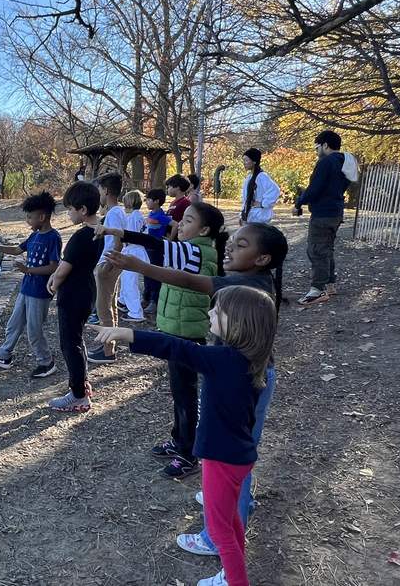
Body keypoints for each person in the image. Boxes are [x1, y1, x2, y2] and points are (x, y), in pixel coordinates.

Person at [106, 222, 288, 567]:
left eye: (241, 244)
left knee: (234, 453)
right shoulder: (257, 283)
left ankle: (217, 536)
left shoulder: (243, 285)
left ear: (262, 258)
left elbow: (190, 282)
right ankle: (230, 496)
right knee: (240, 451)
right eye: (231, 241)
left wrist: (141, 267)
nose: (230, 248)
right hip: (250, 374)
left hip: (241, 376)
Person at [89, 284, 277, 586]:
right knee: (230, 523)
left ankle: (234, 581)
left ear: (240, 323)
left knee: (219, 533)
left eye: (219, 310)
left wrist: (126, 334)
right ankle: (231, 574)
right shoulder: (254, 360)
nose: (211, 311)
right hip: (239, 457)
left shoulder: (222, 360)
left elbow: (175, 347)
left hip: (221, 458)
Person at [97, 202, 227, 479]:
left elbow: (153, 243)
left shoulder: (196, 252)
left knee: (186, 396)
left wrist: (119, 235)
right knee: (180, 393)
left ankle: (189, 453)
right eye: (182, 220)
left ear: (204, 230)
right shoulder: (191, 249)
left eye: (188, 220)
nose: (180, 224)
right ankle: (180, 440)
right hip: (175, 329)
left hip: (186, 332)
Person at [0, 192, 62, 378]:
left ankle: (46, 362)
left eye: (30, 216)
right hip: (26, 288)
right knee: (14, 324)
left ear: (42, 217)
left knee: (34, 329)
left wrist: (29, 270)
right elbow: (16, 249)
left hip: (40, 291)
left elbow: (55, 266)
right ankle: (3, 356)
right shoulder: (34, 236)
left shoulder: (53, 238)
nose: (27, 220)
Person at [46, 181, 104, 412]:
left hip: (73, 293)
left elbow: (64, 268)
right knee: (77, 340)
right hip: (87, 290)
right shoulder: (100, 231)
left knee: (69, 344)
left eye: (70, 209)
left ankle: (78, 395)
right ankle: (82, 384)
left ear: (83, 210)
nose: (68, 213)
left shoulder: (81, 237)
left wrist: (53, 282)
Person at [293, 130, 352, 305]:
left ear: (325, 145)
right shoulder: (344, 163)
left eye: (317, 147)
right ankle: (330, 284)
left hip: (322, 214)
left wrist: (299, 202)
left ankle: (317, 290)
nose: (316, 151)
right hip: (336, 212)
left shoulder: (325, 162)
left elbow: (314, 189)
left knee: (317, 250)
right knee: (327, 248)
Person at [88, 173, 126, 364]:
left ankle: (108, 351)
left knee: (103, 309)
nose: (99, 195)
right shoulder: (113, 213)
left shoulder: (115, 213)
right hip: (109, 263)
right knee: (109, 307)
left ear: (107, 191)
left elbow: (119, 239)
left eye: (100, 190)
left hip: (108, 264)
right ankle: (108, 344)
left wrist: (108, 265)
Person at [118, 190, 148, 322]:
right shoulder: (139, 216)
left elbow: (128, 235)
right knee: (125, 279)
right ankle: (123, 301)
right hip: (136, 250)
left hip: (133, 251)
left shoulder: (132, 218)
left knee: (130, 282)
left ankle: (136, 312)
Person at [141, 188, 171, 313]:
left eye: (148, 200)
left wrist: (169, 239)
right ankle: (146, 297)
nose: (146, 202)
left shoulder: (160, 216)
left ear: (157, 201)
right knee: (146, 273)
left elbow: (174, 224)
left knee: (154, 274)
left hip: (156, 249)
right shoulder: (151, 214)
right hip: (147, 248)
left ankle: (154, 300)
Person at [240, 148, 281, 225]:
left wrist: (263, 204)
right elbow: (246, 199)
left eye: (246, 160)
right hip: (250, 218)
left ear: (254, 161)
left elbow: (275, 190)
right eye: (243, 161)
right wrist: (242, 215)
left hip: (259, 218)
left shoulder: (262, 176)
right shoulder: (249, 178)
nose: (244, 163)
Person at [165, 174, 192, 239]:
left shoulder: (185, 203)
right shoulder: (173, 202)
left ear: (177, 187)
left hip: (178, 239)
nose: (167, 189)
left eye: (169, 187)